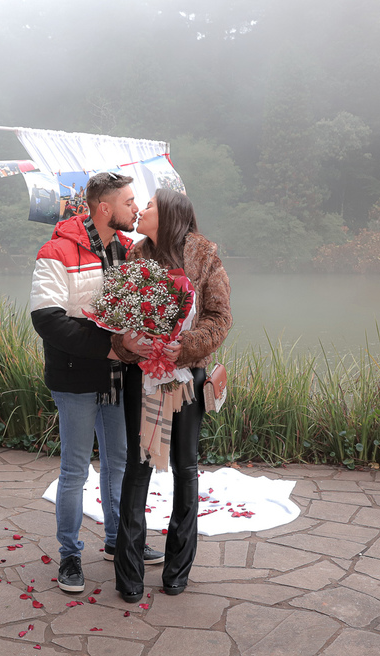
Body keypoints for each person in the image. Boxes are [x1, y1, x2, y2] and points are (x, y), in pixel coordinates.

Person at [30, 172, 164, 593]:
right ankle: (69, 554)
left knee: (119, 462)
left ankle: (115, 540)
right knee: (74, 469)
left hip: (118, 377)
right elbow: (46, 319)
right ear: (104, 208)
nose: (135, 209)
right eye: (128, 202)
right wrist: (107, 348)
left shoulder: (128, 251)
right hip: (76, 377)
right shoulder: (56, 249)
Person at [112, 188, 232, 603]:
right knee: (138, 466)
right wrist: (131, 343)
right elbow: (119, 318)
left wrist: (187, 345)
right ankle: (128, 573)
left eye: (148, 205)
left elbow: (220, 318)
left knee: (186, 468)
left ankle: (177, 568)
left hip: (187, 377)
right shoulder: (135, 256)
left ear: (169, 216)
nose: (140, 210)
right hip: (141, 376)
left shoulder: (205, 257)